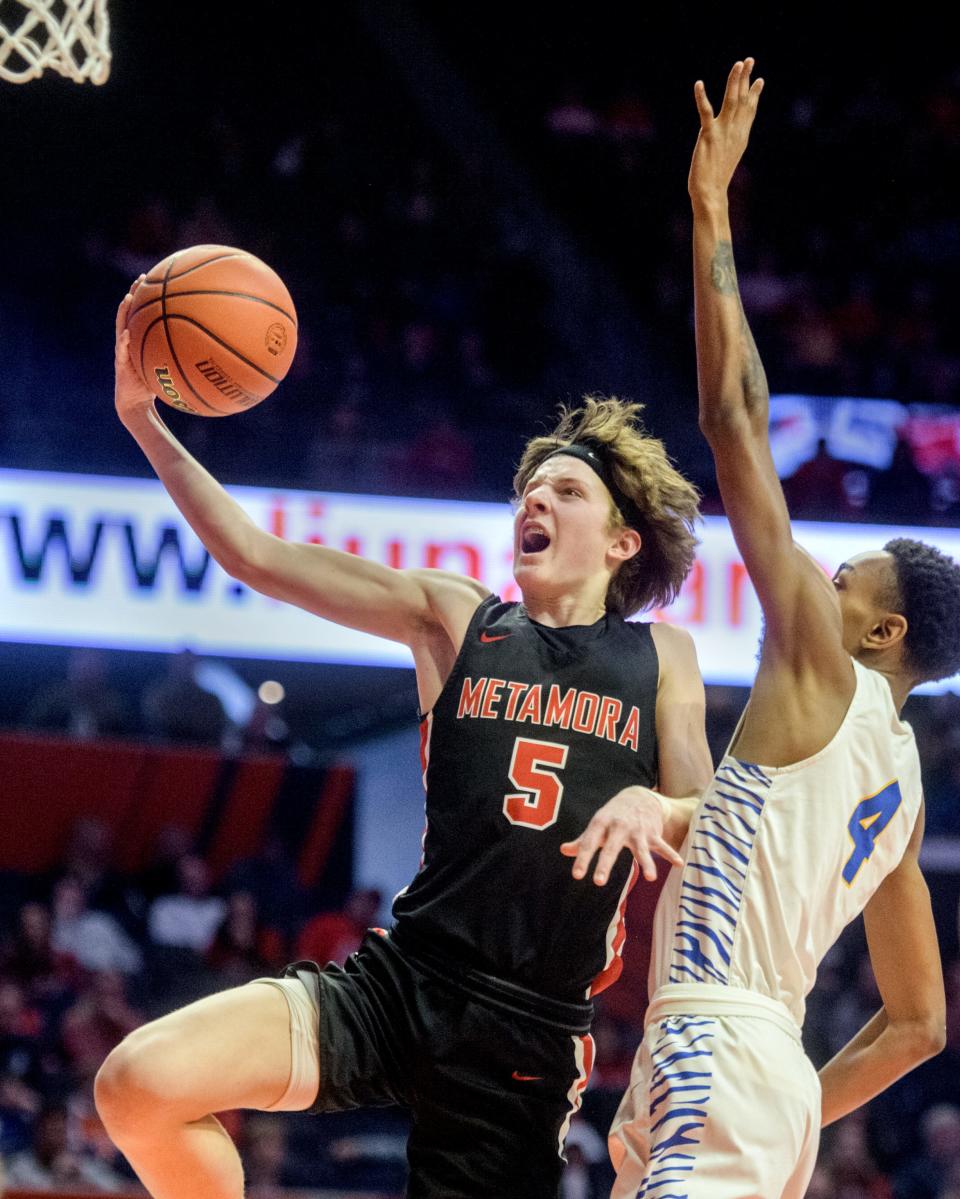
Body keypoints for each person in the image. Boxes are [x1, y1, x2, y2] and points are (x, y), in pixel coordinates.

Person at [94, 289, 712, 1199]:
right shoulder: (454, 618)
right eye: (528, 491)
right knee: (137, 1085)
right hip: (403, 977)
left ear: (623, 540)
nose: (535, 499)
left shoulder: (663, 656)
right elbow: (257, 558)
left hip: (527, 1028)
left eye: (566, 490)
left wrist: (658, 803)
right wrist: (142, 420)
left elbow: (710, 822)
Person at [605, 59, 960, 1199]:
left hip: (721, 1039)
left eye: (842, 576)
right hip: (747, 1065)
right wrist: (796, 1092)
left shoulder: (825, 664)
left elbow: (730, 416)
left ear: (880, 630)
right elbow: (917, 1023)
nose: (815, 577)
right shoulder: (899, 785)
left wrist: (710, 210)